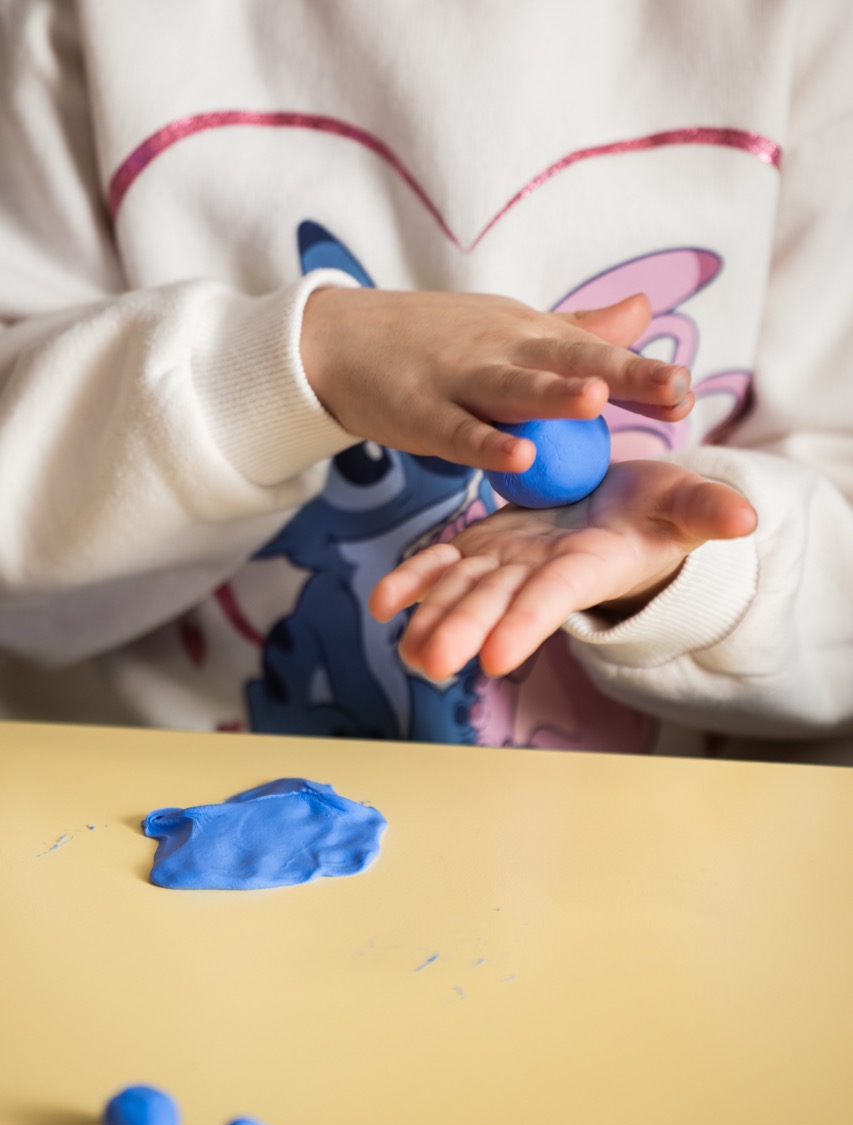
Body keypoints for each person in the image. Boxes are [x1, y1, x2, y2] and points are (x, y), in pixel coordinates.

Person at [0, 0, 851, 764]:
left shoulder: (803, 30)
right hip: (155, 802)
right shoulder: (84, 26)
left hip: (670, 845)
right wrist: (299, 363)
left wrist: (684, 576)